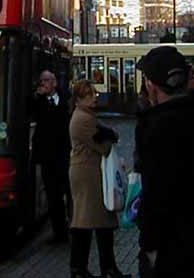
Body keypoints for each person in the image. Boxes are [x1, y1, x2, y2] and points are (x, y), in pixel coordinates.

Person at [136, 46, 194, 277]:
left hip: (167, 245)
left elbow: (155, 193)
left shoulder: (154, 127)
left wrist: (150, 246)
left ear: (152, 85)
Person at [68, 80, 130, 278]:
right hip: (87, 173)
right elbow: (104, 145)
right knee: (88, 220)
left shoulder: (86, 116)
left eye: (94, 92)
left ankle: (96, 267)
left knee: (93, 220)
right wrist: (110, 135)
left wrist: (110, 134)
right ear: (79, 99)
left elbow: (108, 137)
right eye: (89, 94)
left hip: (89, 172)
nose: (95, 96)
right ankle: (89, 268)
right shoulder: (84, 119)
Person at [31, 69, 72, 244]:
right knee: (53, 195)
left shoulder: (66, 100)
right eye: (41, 80)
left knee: (69, 193)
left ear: (54, 82)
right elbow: (30, 114)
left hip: (64, 155)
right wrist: (38, 97)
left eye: (46, 80)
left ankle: (73, 226)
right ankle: (59, 233)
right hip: (47, 157)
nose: (43, 84)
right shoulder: (38, 102)